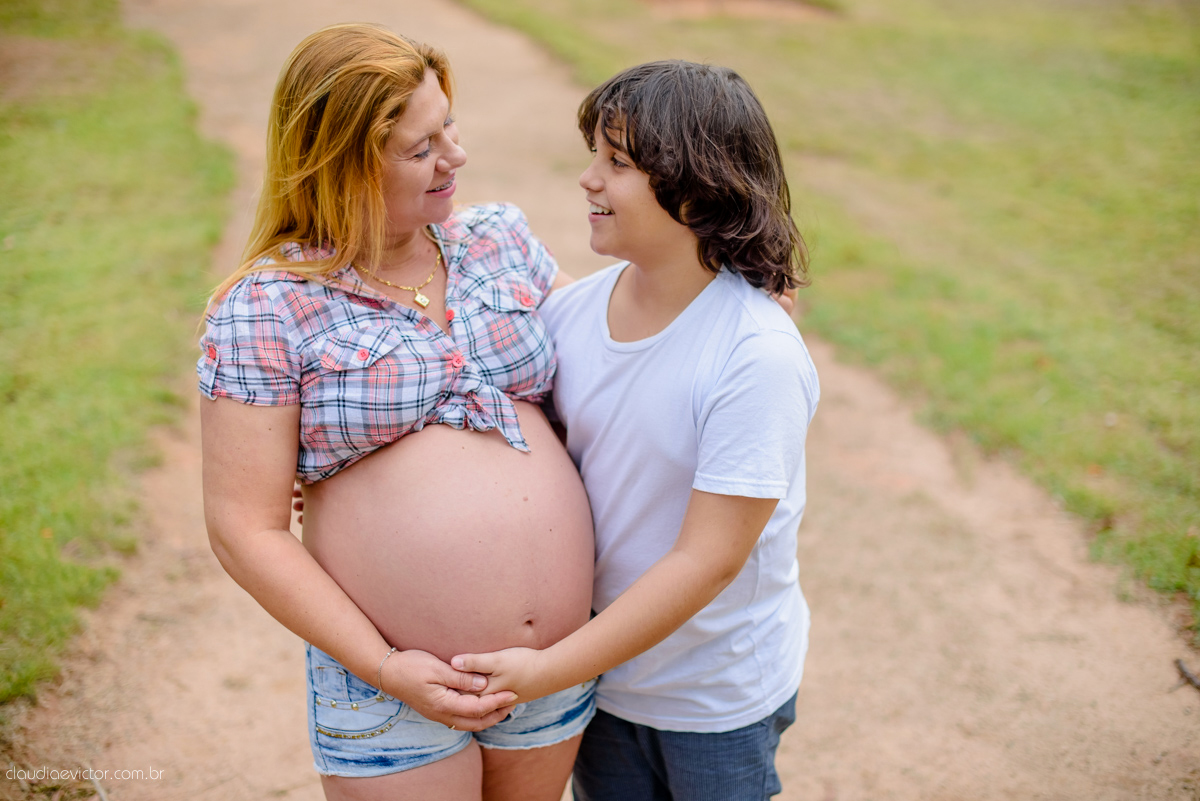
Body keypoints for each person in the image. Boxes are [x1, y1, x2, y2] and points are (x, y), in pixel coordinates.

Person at [197, 23, 597, 801]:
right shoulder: (267, 306)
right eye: (422, 148)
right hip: (389, 683)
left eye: (449, 126)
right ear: (342, 163)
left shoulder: (497, 241)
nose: (455, 156)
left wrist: (731, 300)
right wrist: (384, 666)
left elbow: (621, 354)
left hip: (550, 668)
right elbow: (244, 528)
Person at [451, 61, 820, 801]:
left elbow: (707, 559)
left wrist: (551, 668)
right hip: (607, 687)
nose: (588, 179)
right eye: (596, 155)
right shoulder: (569, 317)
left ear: (696, 185)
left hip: (715, 698)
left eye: (616, 162)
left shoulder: (756, 353)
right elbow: (502, 434)